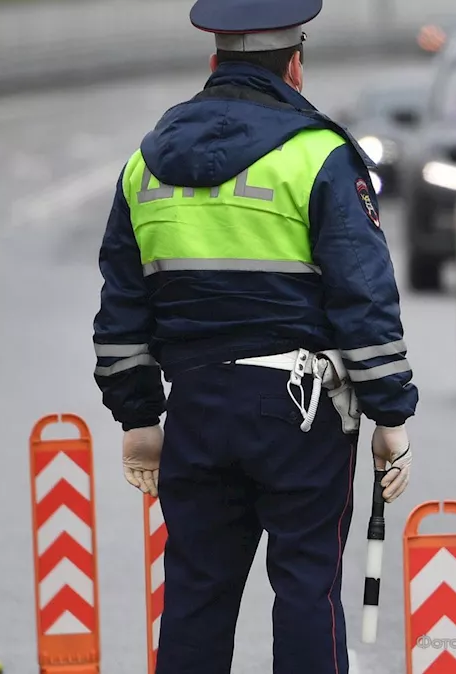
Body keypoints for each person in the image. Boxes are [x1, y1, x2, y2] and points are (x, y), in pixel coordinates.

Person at [90, 0, 419, 671]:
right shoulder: (319, 156)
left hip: (197, 409)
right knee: (305, 587)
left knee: (196, 594)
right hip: (299, 413)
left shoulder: (144, 164)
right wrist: (391, 413)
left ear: (215, 61)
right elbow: (363, 295)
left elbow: (122, 306)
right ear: (295, 63)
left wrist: (139, 416)